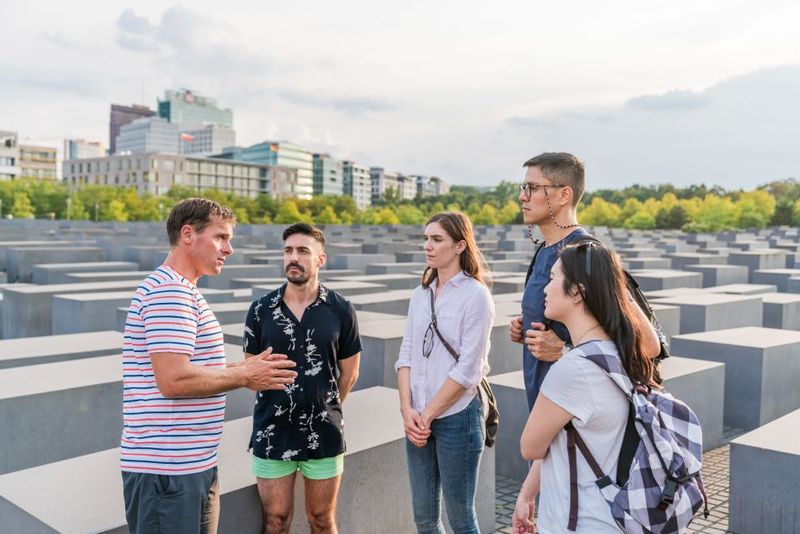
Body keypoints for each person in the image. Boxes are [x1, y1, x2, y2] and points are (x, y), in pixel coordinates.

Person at [121, 198, 298, 534]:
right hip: (168, 472)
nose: (228, 249)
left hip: (191, 466)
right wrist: (244, 374)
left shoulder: (183, 291)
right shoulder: (169, 293)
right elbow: (173, 380)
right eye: (221, 237)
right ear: (188, 234)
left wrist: (246, 370)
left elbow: (192, 367)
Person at [508, 153, 661, 529]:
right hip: (553, 430)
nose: (523, 196)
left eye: (532, 187)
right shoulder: (544, 250)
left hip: (585, 441)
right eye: (522, 187)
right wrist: (525, 326)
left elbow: (649, 345)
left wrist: (564, 351)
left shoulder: (587, 255)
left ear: (563, 195)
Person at [515, 241, 656, 533]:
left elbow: (530, 447)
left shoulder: (573, 369)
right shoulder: (619, 353)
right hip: (610, 516)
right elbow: (568, 441)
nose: (544, 288)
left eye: (553, 278)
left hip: (577, 523)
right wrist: (528, 493)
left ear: (577, 292)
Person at [243, 223, 361, 534]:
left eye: (302, 251)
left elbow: (349, 374)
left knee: (322, 521)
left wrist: (325, 407)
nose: (293, 258)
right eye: (288, 251)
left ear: (321, 259)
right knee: (276, 521)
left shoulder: (341, 310)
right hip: (272, 431)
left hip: (325, 434)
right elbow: (250, 373)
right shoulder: (260, 310)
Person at [395, 211, 496, 534]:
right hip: (418, 419)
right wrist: (407, 410)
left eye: (437, 239)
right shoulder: (419, 294)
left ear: (459, 246)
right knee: (424, 518)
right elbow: (406, 354)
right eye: (426, 238)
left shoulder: (476, 296)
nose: (428, 245)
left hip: (457, 418)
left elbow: (469, 369)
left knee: (461, 519)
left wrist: (428, 414)